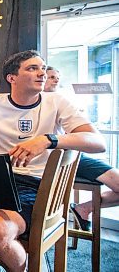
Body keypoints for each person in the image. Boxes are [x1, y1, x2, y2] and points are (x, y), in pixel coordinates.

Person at [0, 50, 106, 272]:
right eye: (32, 68)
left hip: (39, 185)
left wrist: (48, 140)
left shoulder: (56, 102)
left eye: (43, 68)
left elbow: (97, 142)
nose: (42, 73)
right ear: (12, 78)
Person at [44, 66, 119, 231]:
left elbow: (88, 138)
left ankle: (85, 207)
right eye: (51, 77)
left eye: (57, 77)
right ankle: (83, 209)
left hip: (72, 157)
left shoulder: (63, 103)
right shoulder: (37, 105)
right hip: (53, 162)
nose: (56, 80)